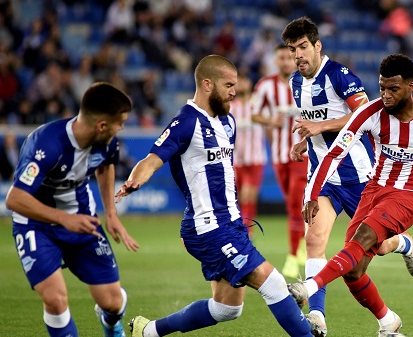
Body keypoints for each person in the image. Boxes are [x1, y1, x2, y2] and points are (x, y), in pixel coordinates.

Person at [115, 55, 312, 337]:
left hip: (230, 224)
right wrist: (135, 180)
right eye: (229, 85)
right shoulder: (185, 121)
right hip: (210, 228)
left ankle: (149, 331)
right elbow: (152, 158)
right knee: (274, 284)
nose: (235, 90)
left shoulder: (228, 121)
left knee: (227, 308)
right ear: (208, 84)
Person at [287, 54, 413, 337]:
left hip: (408, 195)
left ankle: (308, 289)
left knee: (361, 239)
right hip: (374, 189)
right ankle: (388, 321)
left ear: (411, 86)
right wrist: (312, 192)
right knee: (354, 269)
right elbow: (336, 152)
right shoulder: (370, 113)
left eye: (393, 89)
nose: (385, 95)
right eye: (382, 87)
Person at [5, 82, 139, 337]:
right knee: (55, 299)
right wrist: (63, 219)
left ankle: (110, 321)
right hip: (35, 223)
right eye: (119, 123)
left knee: (112, 302)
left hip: (81, 220)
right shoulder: (46, 144)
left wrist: (111, 213)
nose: (121, 128)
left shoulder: (107, 142)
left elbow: (105, 166)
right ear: (101, 125)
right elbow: (15, 198)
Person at [250, 44, 308, 278]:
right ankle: (302, 240)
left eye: (288, 57)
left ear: (295, 58)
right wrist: (268, 121)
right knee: (292, 204)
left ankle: (293, 256)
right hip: (278, 155)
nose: (285, 61)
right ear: (275, 60)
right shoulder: (265, 85)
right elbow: (253, 112)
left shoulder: (306, 82)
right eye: (281, 57)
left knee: (295, 204)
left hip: (301, 154)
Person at [231, 73, 267, 237]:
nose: (242, 85)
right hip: (238, 158)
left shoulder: (257, 105)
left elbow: (269, 126)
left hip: (256, 157)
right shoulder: (231, 107)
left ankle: (247, 227)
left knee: (249, 193)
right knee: (239, 194)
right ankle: (242, 225)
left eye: (244, 80)